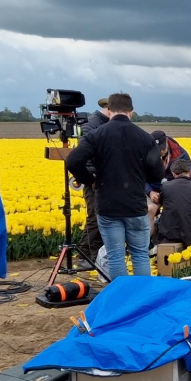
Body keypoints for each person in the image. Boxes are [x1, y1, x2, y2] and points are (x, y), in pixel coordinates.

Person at [66, 93, 164, 280]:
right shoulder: (145, 138)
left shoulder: (97, 135)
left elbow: (73, 161)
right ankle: (141, 298)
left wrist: (89, 180)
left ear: (109, 110)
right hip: (135, 205)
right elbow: (157, 174)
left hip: (108, 205)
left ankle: (121, 300)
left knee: (116, 256)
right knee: (140, 255)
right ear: (131, 112)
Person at [75, 96, 111, 269]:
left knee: (103, 216)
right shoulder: (91, 124)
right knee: (94, 217)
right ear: (109, 109)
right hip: (94, 180)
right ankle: (85, 255)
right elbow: (84, 153)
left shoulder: (105, 124)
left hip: (107, 179)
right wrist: (92, 177)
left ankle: (95, 255)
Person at [147, 130, 191, 237]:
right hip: (154, 192)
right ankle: (147, 245)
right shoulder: (145, 153)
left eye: (162, 148)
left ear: (166, 141)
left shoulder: (180, 153)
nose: (160, 151)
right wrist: (150, 192)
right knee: (150, 210)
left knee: (178, 211)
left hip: (174, 191)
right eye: (157, 150)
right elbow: (139, 177)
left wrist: (176, 187)